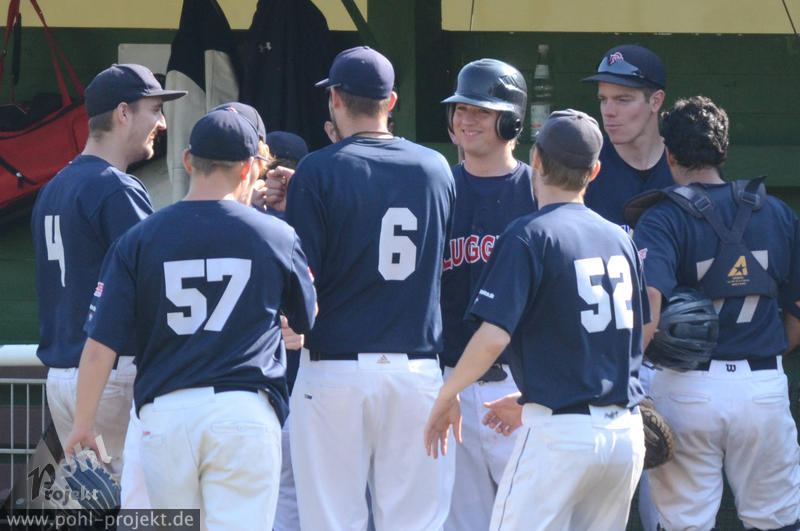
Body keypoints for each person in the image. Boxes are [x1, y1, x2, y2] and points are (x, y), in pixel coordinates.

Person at [63, 109, 317, 529]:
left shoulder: (139, 239)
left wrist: (83, 423)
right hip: (243, 411)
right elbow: (306, 318)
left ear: (187, 161)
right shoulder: (276, 234)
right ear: (251, 167)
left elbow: (100, 344)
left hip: (167, 413)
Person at [425, 109, 648, 530]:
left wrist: (446, 394)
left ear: (537, 160)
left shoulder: (530, 233)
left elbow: (493, 337)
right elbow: (620, 337)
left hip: (559, 437)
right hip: (623, 433)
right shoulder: (620, 239)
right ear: (594, 171)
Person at [282, 46, 456, 530]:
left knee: (332, 522)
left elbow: (301, 277)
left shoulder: (317, 169)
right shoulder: (435, 168)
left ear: (335, 99)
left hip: (334, 371)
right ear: (391, 101)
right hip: (416, 371)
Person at [628, 95, 800, 530]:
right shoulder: (778, 213)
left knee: (684, 524)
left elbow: (650, 300)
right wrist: (770, 352)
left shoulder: (662, 217)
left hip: (688, 388)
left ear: (669, 154)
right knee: (777, 521)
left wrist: (626, 378)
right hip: (763, 384)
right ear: (723, 153)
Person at [30, 63, 186, 480]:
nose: (162, 123)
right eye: (155, 109)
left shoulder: (53, 188)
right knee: (141, 501)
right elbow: (156, 282)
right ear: (123, 113)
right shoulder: (116, 187)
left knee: (90, 504)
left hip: (63, 379)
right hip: (108, 379)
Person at [439, 57, 536, 531]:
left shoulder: (537, 191)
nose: (467, 119)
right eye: (461, 109)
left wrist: (535, 393)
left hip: (518, 385)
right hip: (451, 381)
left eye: (481, 110)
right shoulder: (438, 189)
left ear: (511, 122)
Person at [581, 44, 673, 230]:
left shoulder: (687, 163)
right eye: (603, 99)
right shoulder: (584, 166)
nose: (608, 111)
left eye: (622, 100)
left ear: (655, 101)